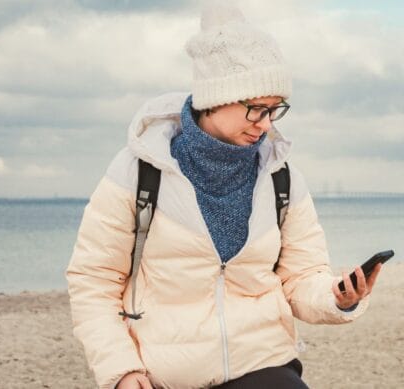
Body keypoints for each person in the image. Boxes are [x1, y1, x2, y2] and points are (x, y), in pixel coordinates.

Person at [65, 2, 382, 388]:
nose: (265, 125)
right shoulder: (138, 172)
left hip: (263, 365)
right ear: (215, 98)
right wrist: (122, 370)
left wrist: (337, 297)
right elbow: (93, 284)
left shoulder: (282, 178)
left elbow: (300, 278)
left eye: (274, 110)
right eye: (255, 109)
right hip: (164, 376)